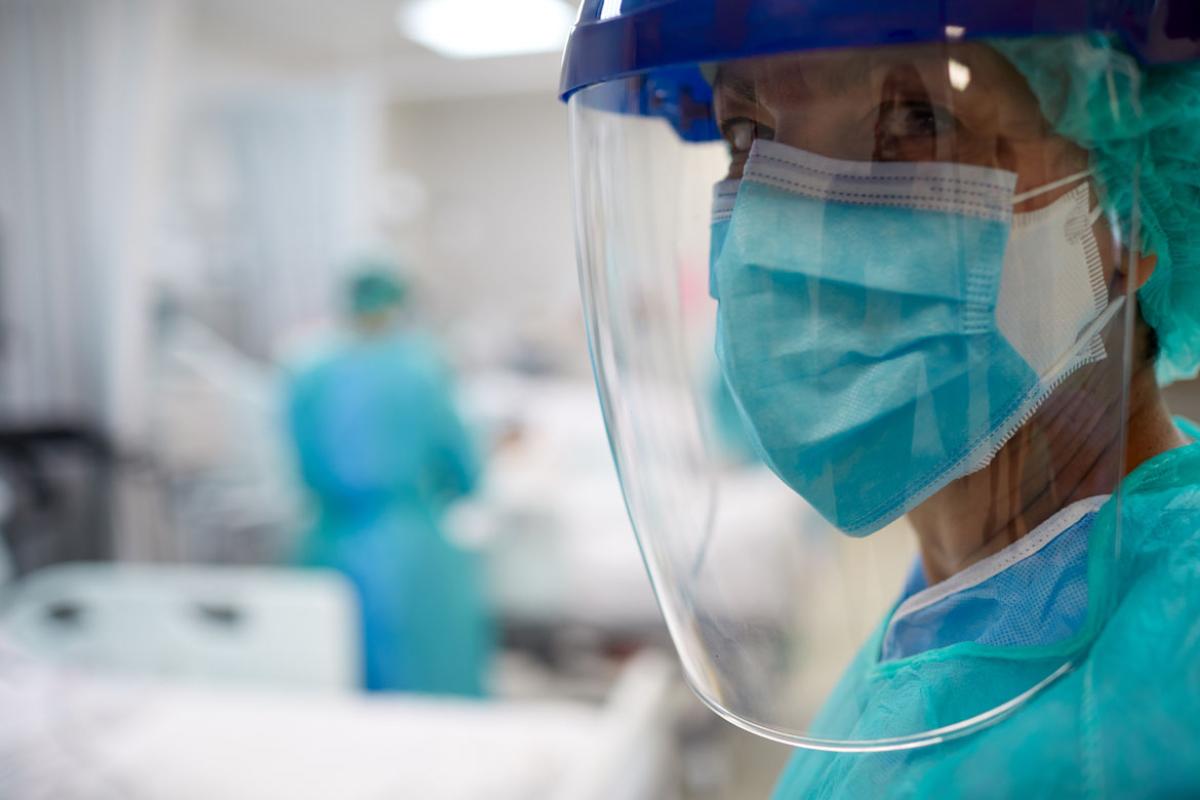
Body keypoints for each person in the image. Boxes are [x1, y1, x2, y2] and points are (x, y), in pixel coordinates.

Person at [560, 3, 1200, 796]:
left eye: (913, 118)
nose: (784, 225)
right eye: (746, 136)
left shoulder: (1177, 680)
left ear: (1127, 209)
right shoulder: (960, 619)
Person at [286, 265, 490, 695]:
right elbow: (461, 465)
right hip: (413, 549)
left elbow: (299, 469)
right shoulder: (421, 368)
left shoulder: (309, 371)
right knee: (425, 686)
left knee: (332, 683)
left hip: (328, 545)